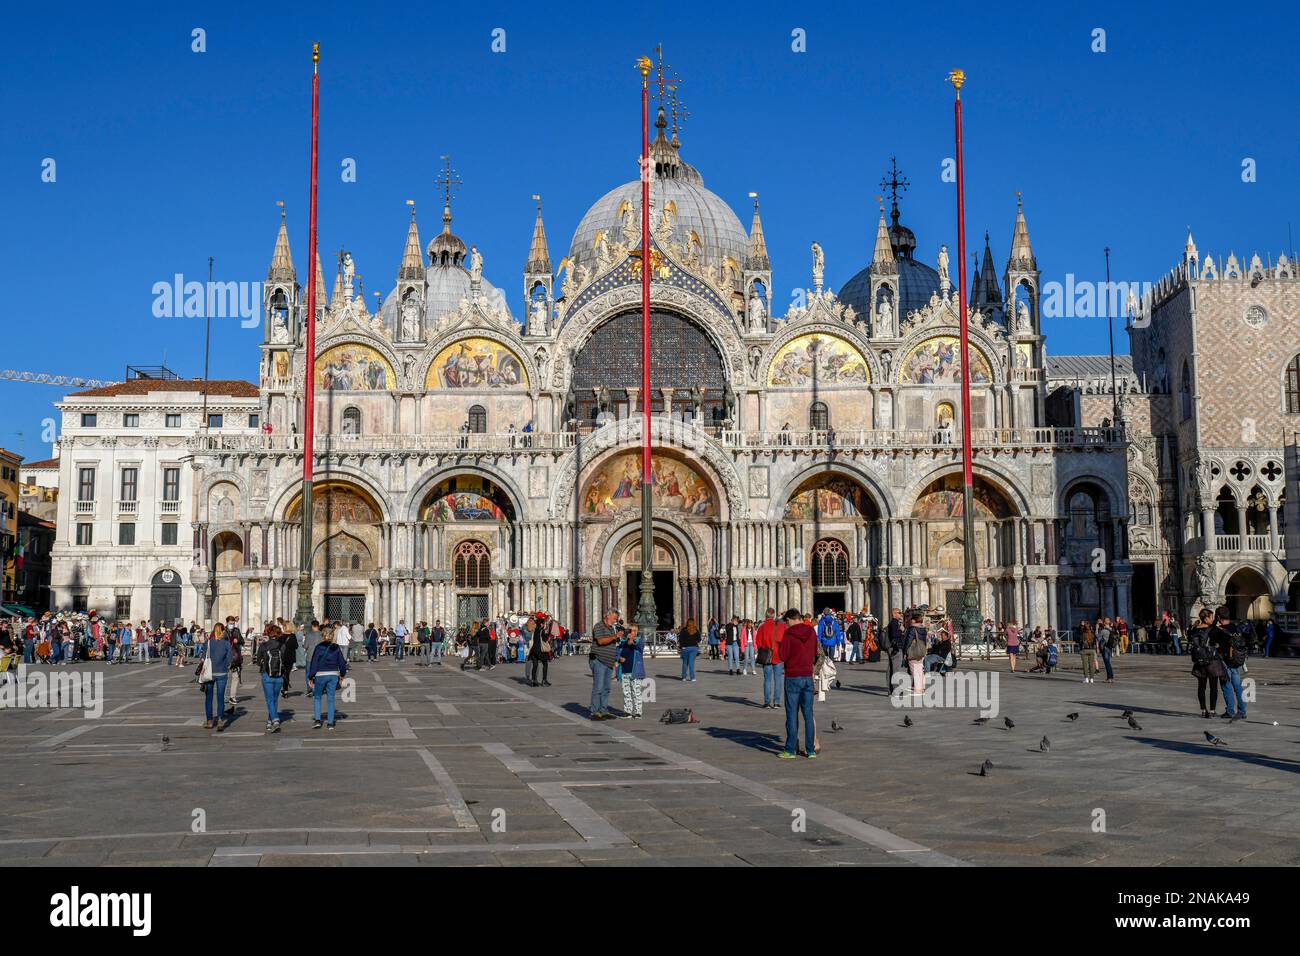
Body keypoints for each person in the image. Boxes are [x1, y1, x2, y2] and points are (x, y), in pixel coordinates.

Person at [778, 609, 818, 759]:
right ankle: (810, 750)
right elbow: (814, 651)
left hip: (793, 676)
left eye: (786, 622)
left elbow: (784, 655)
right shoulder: (811, 632)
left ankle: (790, 750)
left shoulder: (788, 634)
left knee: (792, 714)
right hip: (807, 676)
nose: (786, 625)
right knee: (808, 714)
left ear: (790, 619)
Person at [1209, 606, 1247, 721]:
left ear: (1218, 616)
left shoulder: (1217, 630)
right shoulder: (1235, 627)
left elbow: (1211, 641)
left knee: (1226, 685)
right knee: (1237, 685)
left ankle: (1230, 711)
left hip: (1224, 660)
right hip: (1236, 660)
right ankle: (1242, 711)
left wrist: (1215, 623)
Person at [307, 627, 348, 730]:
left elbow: (314, 663)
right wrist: (342, 675)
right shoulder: (336, 647)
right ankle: (330, 723)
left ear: (322, 635)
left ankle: (317, 720)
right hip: (333, 675)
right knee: (330, 699)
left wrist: (311, 676)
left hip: (320, 675)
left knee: (317, 697)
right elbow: (342, 663)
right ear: (332, 635)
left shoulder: (319, 647)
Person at [588, 610, 621, 720]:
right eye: (614, 618)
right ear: (608, 616)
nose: (615, 621)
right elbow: (600, 641)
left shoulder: (612, 628)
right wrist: (614, 636)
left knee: (606, 688)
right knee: (598, 687)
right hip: (598, 660)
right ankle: (594, 712)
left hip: (608, 662)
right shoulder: (599, 626)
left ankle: (603, 710)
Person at [256, 623, 288, 732]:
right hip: (279, 676)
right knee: (274, 699)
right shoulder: (282, 646)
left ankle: (275, 720)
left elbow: (258, 661)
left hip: (267, 674)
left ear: (269, 634)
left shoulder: (263, 646)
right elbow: (284, 661)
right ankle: (269, 722)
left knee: (269, 700)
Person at [1188, 614, 1221, 719]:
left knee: (1201, 687)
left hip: (1199, 660)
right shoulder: (1211, 629)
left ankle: (1203, 710)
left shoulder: (1194, 629)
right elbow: (1217, 641)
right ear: (1206, 618)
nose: (1212, 619)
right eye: (1211, 617)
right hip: (1211, 660)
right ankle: (1212, 710)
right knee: (1213, 687)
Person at [201, 622, 232, 732]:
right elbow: (229, 659)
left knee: (209, 697)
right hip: (222, 673)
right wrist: (227, 666)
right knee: (220, 697)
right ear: (223, 631)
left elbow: (203, 657)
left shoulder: (208, 642)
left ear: (214, 631)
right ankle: (220, 719)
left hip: (209, 674)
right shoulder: (226, 643)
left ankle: (209, 721)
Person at [755, 608, 785, 709]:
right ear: (774, 615)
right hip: (779, 656)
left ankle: (767, 702)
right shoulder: (781, 626)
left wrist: (763, 649)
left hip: (766, 656)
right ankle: (776, 702)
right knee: (778, 680)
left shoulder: (762, 627)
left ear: (765, 615)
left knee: (767, 680)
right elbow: (783, 640)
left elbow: (758, 642)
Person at [616, 624, 645, 718]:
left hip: (635, 671)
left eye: (632, 631)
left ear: (636, 632)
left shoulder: (639, 641)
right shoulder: (623, 642)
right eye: (629, 631)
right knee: (626, 692)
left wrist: (631, 639)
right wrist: (619, 658)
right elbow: (617, 652)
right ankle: (627, 711)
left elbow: (638, 646)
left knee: (636, 692)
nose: (630, 632)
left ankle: (638, 712)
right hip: (624, 670)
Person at [904, 613, 928, 694]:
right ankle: (922, 688)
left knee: (914, 671)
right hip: (921, 651)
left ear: (914, 620)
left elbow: (908, 641)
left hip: (913, 652)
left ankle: (917, 690)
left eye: (912, 619)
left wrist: (905, 652)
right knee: (920, 670)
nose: (911, 620)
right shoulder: (923, 629)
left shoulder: (912, 629)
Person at [527, 615, 552, 687]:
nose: (544, 624)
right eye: (543, 623)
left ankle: (533, 681)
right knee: (545, 664)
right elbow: (545, 639)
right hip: (541, 650)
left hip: (534, 650)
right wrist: (548, 633)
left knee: (535, 665)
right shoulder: (542, 630)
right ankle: (544, 680)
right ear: (541, 624)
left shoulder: (535, 630)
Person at [886, 608, 905, 691]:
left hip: (892, 647)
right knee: (896, 669)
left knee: (891, 669)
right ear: (894, 614)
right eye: (899, 612)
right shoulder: (894, 623)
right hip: (896, 648)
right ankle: (895, 689)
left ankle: (890, 690)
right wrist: (902, 630)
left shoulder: (893, 623)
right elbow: (895, 635)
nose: (900, 614)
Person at [227, 624, 245, 708]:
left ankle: (232, 696)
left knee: (236, 677)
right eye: (230, 623)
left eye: (233, 623)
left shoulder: (237, 630)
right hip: (226, 658)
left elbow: (242, 641)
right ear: (227, 622)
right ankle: (222, 697)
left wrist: (238, 641)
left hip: (236, 657)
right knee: (223, 678)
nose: (232, 625)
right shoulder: (223, 631)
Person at [1097, 617, 1116, 682]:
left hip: (1105, 648)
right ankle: (1110, 677)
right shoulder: (1112, 630)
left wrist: (1097, 629)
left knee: (1107, 663)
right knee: (1109, 663)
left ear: (1104, 623)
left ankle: (1110, 678)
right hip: (1110, 648)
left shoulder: (1103, 631)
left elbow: (1097, 637)